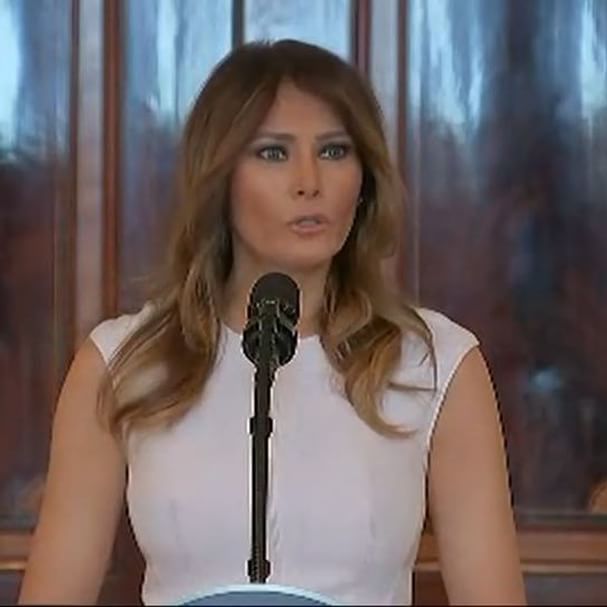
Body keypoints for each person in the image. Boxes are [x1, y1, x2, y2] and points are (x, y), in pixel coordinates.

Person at [18, 39, 526, 605]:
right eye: (273, 153)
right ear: (220, 178)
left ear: (364, 180)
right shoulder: (121, 362)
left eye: (334, 151)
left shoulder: (436, 364)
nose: (309, 181)